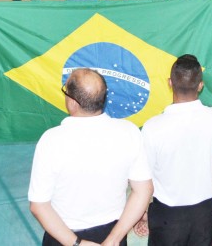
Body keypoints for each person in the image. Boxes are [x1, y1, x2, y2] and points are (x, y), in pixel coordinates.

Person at [28, 68, 153, 246]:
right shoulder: (129, 132)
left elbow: (39, 206)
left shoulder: (51, 140)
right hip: (112, 233)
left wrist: (77, 243)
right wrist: (114, 239)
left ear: (72, 101)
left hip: (63, 237)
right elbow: (143, 190)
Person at [138, 55, 212, 246]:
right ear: (200, 85)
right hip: (204, 213)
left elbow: (144, 181)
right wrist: (211, 199)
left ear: (170, 83)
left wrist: (142, 214)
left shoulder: (152, 127)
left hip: (166, 217)